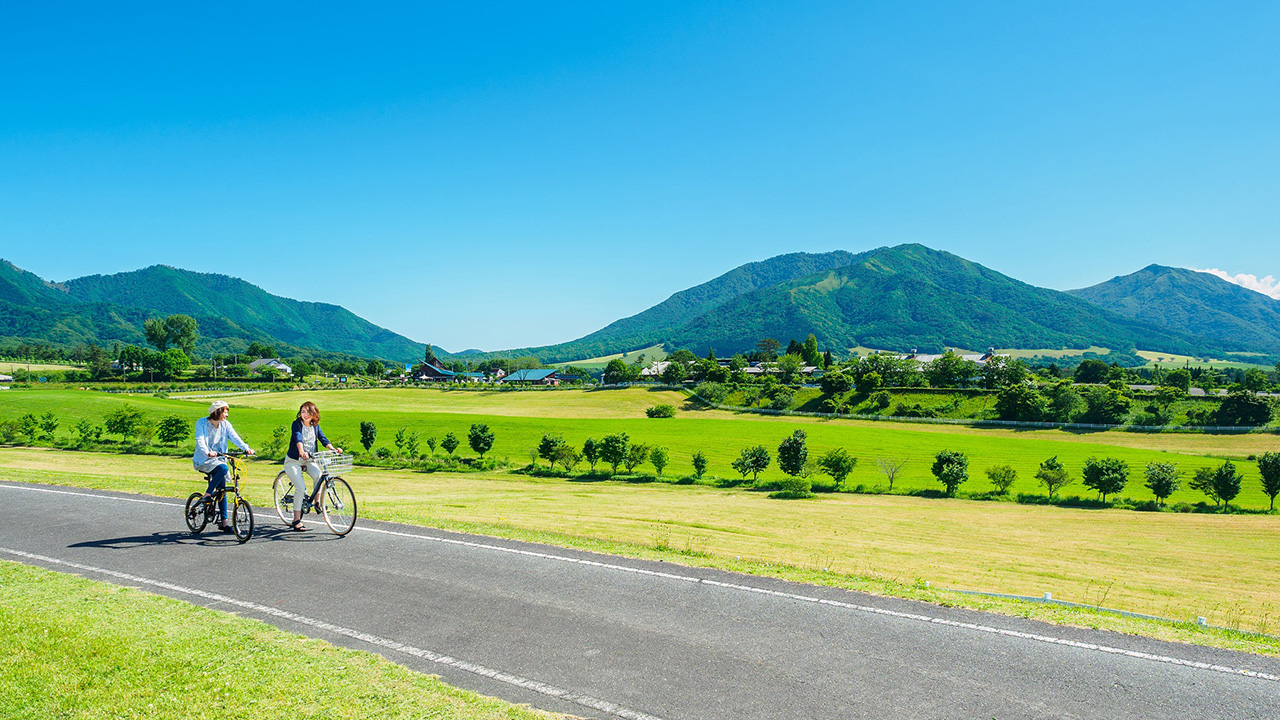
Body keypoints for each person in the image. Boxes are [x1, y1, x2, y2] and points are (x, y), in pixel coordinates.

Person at [193, 400, 255, 532]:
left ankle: (224, 522)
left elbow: (235, 438)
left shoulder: (225, 425)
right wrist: (207, 452)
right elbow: (200, 440)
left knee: (222, 489)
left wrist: (246, 448)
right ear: (216, 412)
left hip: (219, 459)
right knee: (223, 468)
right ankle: (207, 494)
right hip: (204, 459)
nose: (226, 415)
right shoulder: (202, 423)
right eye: (225, 411)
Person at [283, 401, 341, 530]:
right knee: (300, 488)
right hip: (294, 460)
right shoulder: (297, 424)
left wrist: (333, 449)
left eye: (308, 412)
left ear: (314, 414)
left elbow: (323, 439)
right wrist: (301, 451)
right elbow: (297, 437)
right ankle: (296, 520)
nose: (305, 415)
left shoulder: (315, 426)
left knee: (318, 475)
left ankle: (317, 503)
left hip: (310, 459)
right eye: (303, 411)